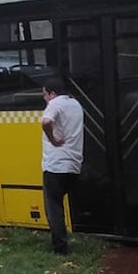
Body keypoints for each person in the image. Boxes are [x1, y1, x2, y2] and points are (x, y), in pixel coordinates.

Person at [40, 78, 84, 255]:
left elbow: (46, 122)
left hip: (55, 166)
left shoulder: (55, 103)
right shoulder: (76, 104)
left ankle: (60, 248)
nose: (44, 99)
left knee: (54, 208)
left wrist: (52, 139)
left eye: (45, 95)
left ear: (52, 93)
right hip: (74, 165)